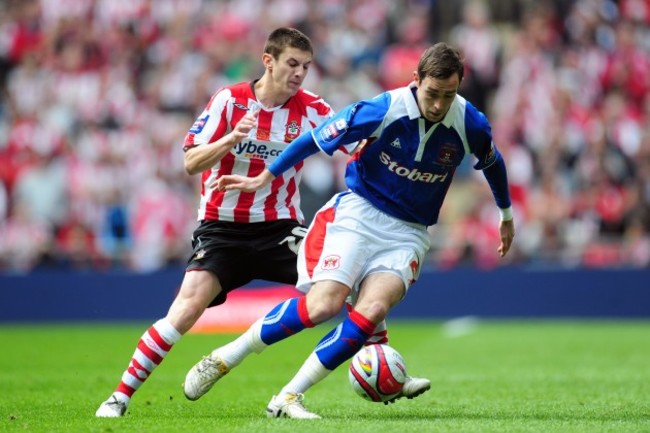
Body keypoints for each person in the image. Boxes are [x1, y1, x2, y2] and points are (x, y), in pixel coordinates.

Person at [95, 27, 427, 418]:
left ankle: (384, 367)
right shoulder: (229, 101)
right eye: (292, 64)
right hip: (222, 229)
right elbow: (189, 162)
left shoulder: (312, 108)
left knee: (355, 278)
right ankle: (119, 396)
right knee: (185, 310)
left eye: (305, 66)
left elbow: (358, 145)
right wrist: (229, 140)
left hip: (280, 228)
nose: (300, 73)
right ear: (267, 61)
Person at [182, 42, 515, 420]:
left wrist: (505, 214)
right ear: (415, 80)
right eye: (432, 94)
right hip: (359, 215)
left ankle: (288, 398)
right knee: (324, 306)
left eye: (448, 95)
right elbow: (315, 137)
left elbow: (492, 162)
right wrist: (266, 175)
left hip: (409, 232)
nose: (438, 105)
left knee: (371, 311)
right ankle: (227, 356)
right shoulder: (383, 109)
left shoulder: (469, 122)